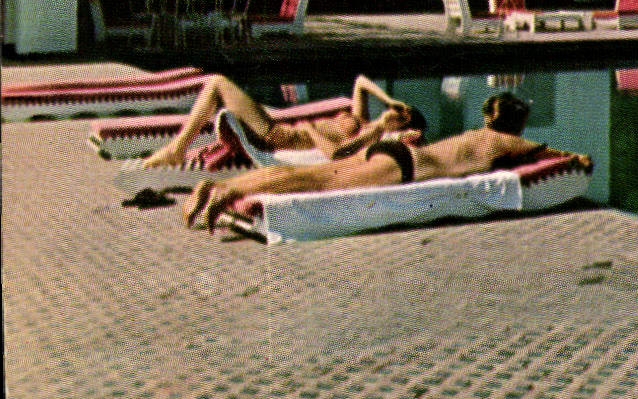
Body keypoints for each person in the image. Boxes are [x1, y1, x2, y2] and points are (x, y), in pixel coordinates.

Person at [182, 92, 581, 231]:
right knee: (317, 185)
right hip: (403, 167)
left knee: (307, 174)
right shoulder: (506, 141)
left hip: (393, 152)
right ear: (514, 124)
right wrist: (575, 157)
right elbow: (549, 153)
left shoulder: (479, 133)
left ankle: (222, 188)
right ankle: (224, 192)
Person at [137, 73, 424, 170]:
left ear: (402, 125)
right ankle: (180, 147)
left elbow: (336, 154)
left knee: (217, 84)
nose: (397, 113)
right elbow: (360, 81)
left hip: (277, 136)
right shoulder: (362, 119)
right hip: (277, 127)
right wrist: (388, 99)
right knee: (221, 92)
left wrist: (311, 130)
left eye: (403, 115)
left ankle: (177, 149)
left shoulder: (372, 135)